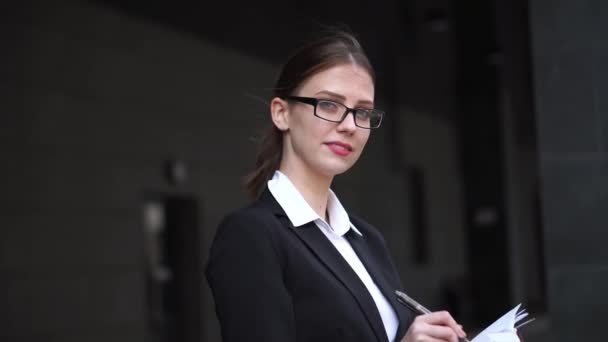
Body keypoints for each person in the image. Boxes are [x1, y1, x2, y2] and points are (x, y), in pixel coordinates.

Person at [205, 27, 468, 342]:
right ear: (281, 113)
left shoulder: (367, 240)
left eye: (362, 111)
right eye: (329, 104)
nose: (348, 126)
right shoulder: (251, 235)